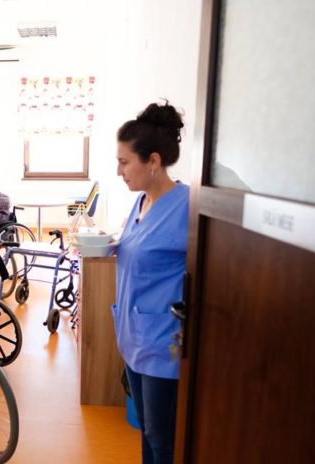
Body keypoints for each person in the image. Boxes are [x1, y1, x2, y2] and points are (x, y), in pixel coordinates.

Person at [112, 101, 188, 464]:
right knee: (145, 428)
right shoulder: (141, 202)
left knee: (162, 439)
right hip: (134, 337)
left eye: (124, 162)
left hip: (162, 342)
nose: (119, 171)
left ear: (153, 161)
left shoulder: (187, 205)